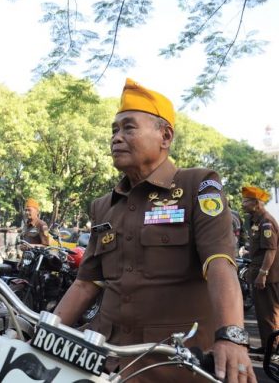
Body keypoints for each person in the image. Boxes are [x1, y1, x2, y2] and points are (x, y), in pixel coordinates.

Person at [53, 78, 254, 382]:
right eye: (114, 130)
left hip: (173, 361)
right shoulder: (104, 205)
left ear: (165, 136)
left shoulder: (197, 185)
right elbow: (86, 284)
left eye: (129, 128)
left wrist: (231, 336)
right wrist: (46, 332)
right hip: (107, 359)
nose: (116, 138)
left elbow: (219, 264)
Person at [241, 186, 279, 355]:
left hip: (268, 277)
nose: (242, 204)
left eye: (246, 201)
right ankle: (267, 345)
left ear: (256, 203)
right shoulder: (257, 221)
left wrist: (263, 274)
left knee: (269, 313)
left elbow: (271, 250)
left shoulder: (266, 222)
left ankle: (273, 349)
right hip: (260, 273)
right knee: (263, 313)